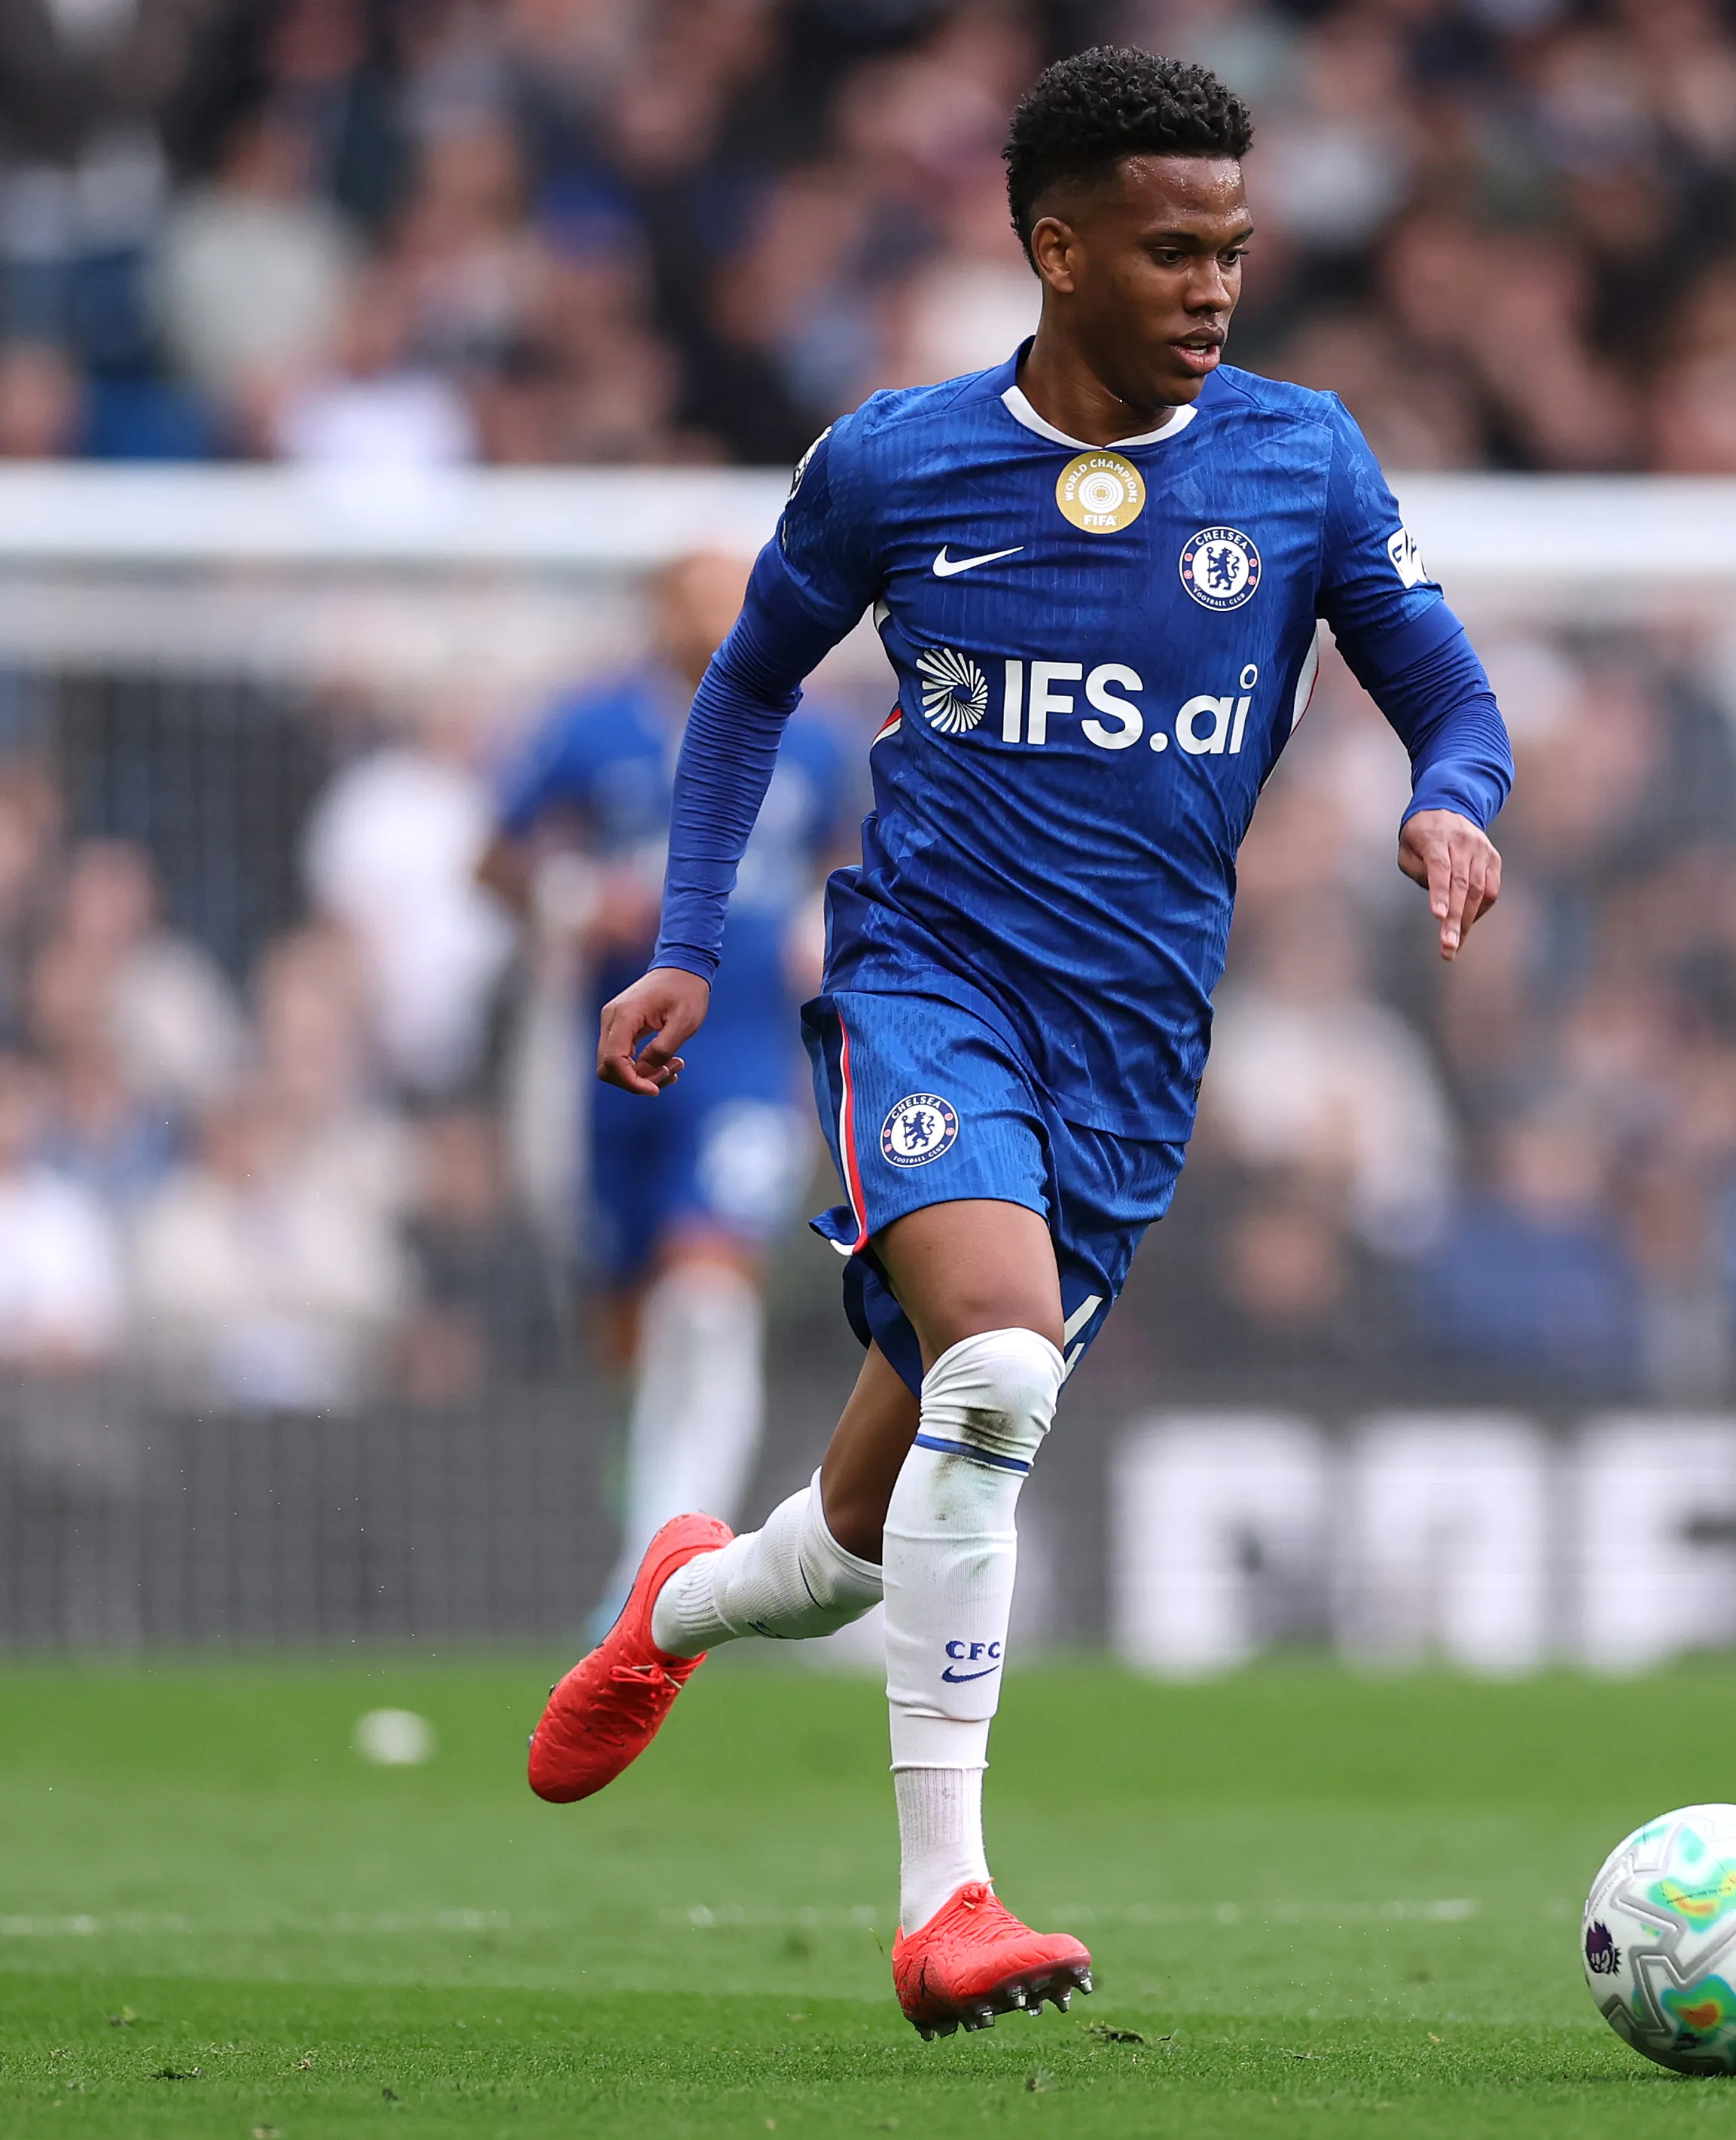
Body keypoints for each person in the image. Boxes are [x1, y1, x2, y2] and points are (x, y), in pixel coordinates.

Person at [520, 50, 1512, 2043]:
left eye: (1234, 248)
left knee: (853, 1543)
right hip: (928, 987)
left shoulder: (1304, 462)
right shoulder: (895, 463)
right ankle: (947, 1902)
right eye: (1172, 250)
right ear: (1055, 249)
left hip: (1131, 1056)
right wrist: (694, 941)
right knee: (990, 1361)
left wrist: (1454, 799)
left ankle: (684, 1603)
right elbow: (740, 698)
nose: (1218, 286)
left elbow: (1450, 692)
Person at [483, 551, 854, 1632]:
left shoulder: (819, 734)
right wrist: (569, 897)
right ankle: (655, 1498)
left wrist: (817, 931)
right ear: (655, 611)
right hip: (611, 1054)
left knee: (708, 1285)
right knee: (631, 1322)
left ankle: (664, 1566)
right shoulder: (588, 728)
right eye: (695, 592)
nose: (717, 612)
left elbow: (853, 855)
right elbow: (494, 859)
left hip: (745, 1052)